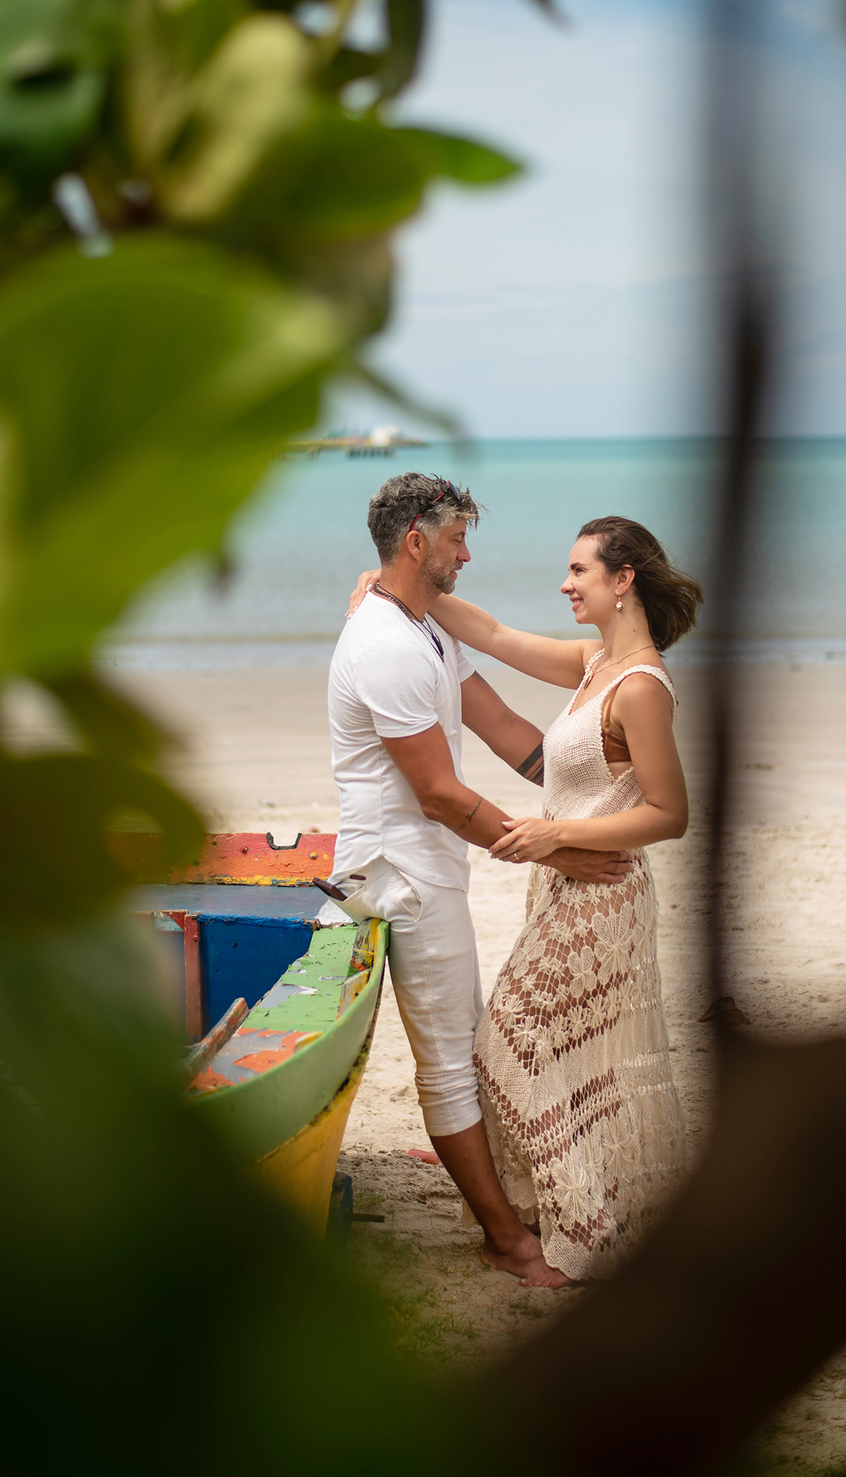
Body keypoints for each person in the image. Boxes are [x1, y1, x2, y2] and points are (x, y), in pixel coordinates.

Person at [351, 514, 701, 1281]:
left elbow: (670, 815)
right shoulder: (592, 662)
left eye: (580, 571)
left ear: (623, 580)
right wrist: (389, 588)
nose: (566, 584)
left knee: (505, 1043)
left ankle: (572, 1218)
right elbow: (497, 632)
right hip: (564, 886)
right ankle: (552, 1198)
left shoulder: (641, 686)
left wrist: (548, 838)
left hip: (601, 896)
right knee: (561, 1054)